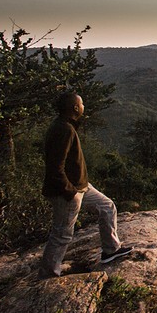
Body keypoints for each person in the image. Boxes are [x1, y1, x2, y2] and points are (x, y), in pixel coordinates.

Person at [39, 92, 131, 278]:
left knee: (107, 206)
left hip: (81, 186)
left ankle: (111, 250)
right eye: (81, 104)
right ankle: (48, 275)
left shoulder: (66, 126)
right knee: (62, 234)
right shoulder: (63, 129)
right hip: (67, 191)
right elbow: (55, 166)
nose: (83, 106)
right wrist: (70, 192)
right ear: (75, 107)